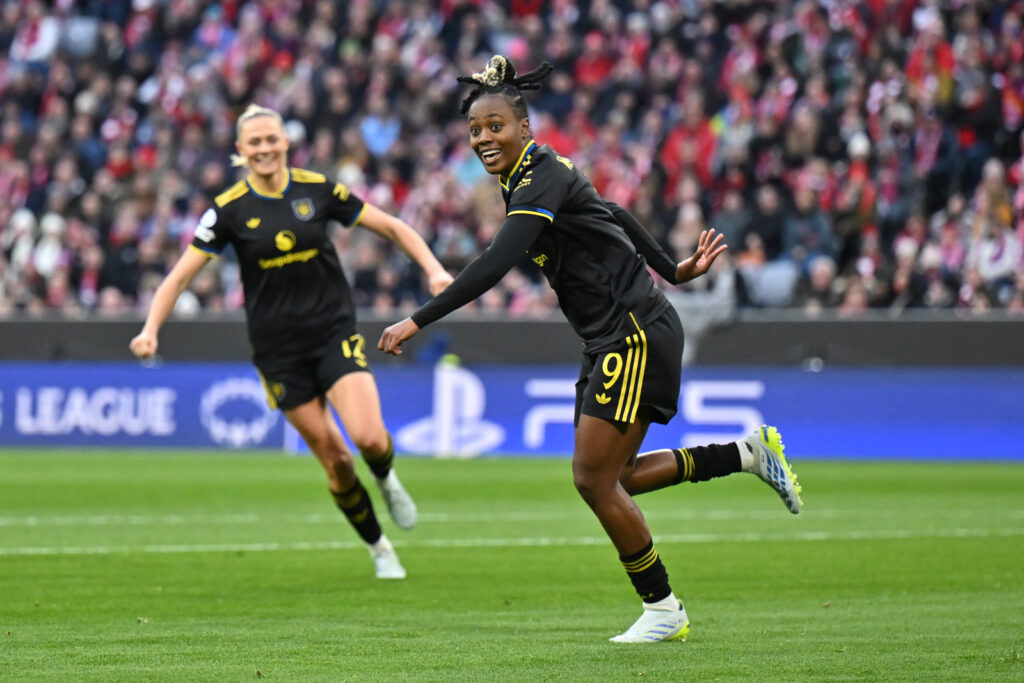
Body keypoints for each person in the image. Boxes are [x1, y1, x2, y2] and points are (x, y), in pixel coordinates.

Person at [378, 56, 803, 642]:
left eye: (494, 125)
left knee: (593, 480)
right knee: (615, 476)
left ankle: (663, 610)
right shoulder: (531, 175)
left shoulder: (539, 177)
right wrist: (672, 271)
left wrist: (417, 320)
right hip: (614, 334)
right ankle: (746, 455)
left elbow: (497, 263)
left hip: (632, 333)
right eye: (475, 130)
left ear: (523, 128)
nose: (483, 138)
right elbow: (615, 213)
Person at [130, 104, 453, 579]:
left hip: (332, 332)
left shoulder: (317, 189)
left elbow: (389, 225)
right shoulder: (227, 210)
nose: (263, 149)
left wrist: (433, 268)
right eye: (253, 143)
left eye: (270, 140)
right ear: (241, 152)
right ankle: (380, 548)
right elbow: (178, 278)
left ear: (285, 143)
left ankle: (385, 477)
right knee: (335, 460)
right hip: (278, 352)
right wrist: (149, 329)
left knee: (368, 438)